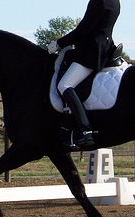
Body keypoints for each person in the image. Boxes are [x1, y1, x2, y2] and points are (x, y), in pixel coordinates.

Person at [48, 0, 120, 148]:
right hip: (104, 47)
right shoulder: (115, 1)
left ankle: (85, 129)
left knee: (64, 85)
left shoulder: (99, 1)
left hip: (92, 52)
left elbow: (84, 28)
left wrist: (59, 43)